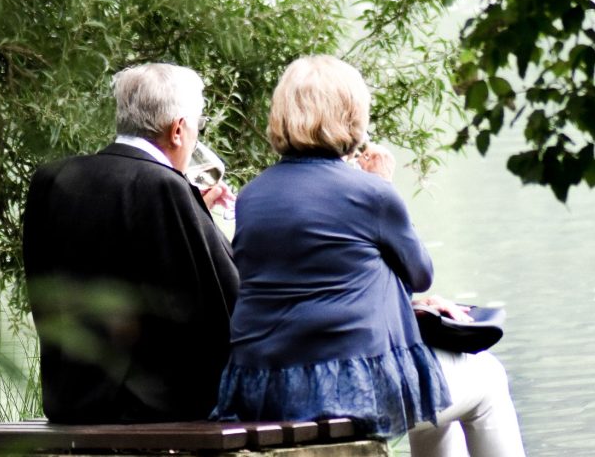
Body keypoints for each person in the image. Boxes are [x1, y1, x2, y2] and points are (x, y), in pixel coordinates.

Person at [212, 55, 524, 456]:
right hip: (348, 387)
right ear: (350, 114)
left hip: (263, 385)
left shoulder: (252, 196)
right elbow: (420, 274)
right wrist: (383, 185)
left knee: (432, 391)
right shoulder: (370, 193)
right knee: (487, 379)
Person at [21, 62, 238, 424]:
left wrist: (196, 209)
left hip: (70, 400)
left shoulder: (52, 179)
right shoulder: (165, 187)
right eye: (199, 126)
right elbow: (223, 302)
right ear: (179, 130)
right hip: (155, 409)